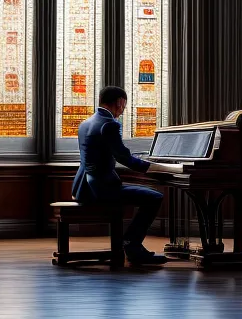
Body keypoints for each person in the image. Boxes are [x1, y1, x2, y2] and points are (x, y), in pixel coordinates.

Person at [72, 86, 184, 266]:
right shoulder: (109, 124)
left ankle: (131, 243)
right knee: (155, 197)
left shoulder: (86, 122)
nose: (123, 110)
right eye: (124, 105)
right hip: (102, 189)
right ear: (119, 102)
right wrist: (161, 167)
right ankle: (132, 245)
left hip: (84, 187)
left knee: (147, 196)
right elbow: (125, 159)